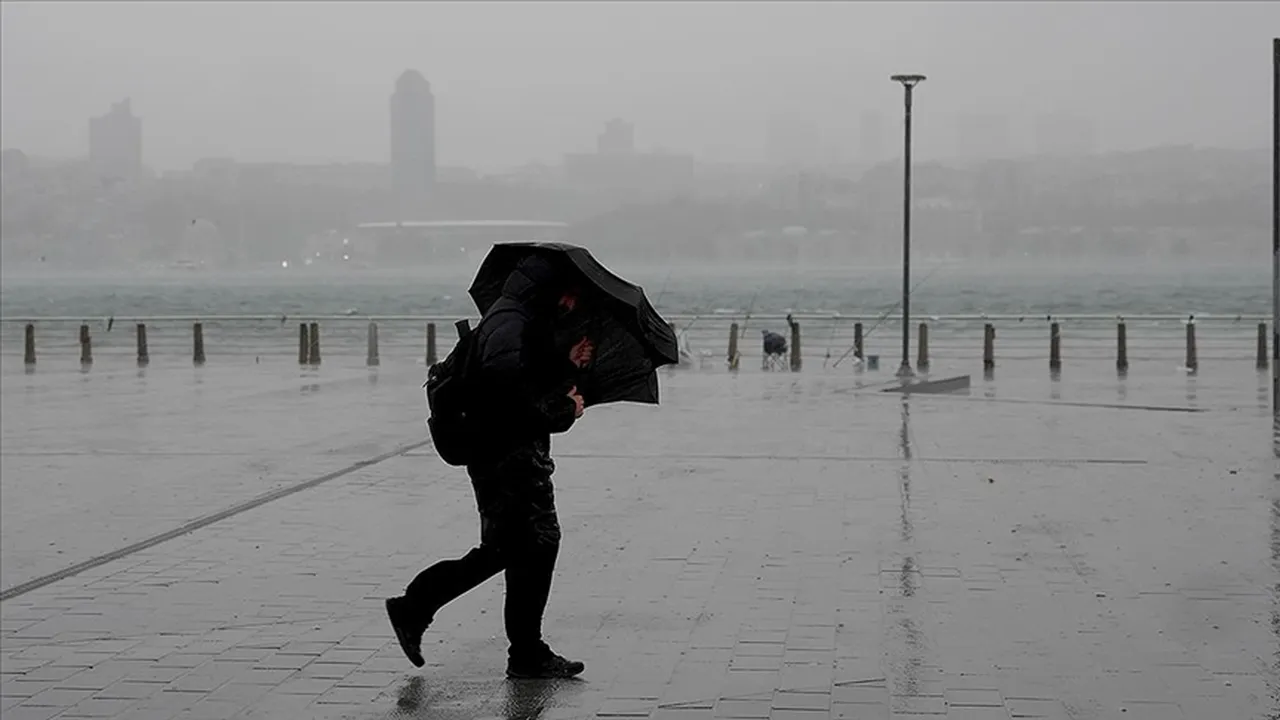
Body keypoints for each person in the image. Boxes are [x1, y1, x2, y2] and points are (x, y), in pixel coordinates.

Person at [385, 254, 595, 679]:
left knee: (515, 549)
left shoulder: (516, 318)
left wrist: (566, 361)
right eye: (570, 293)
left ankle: (518, 649)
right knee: (531, 544)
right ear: (550, 288)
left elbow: (519, 376)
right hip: (506, 459)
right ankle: (422, 609)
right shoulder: (511, 320)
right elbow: (507, 395)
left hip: (505, 456)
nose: (573, 303)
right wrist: (563, 409)